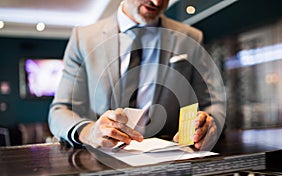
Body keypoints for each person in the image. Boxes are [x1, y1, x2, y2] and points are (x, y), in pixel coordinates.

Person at [48, 0, 225, 151]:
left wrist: (210, 125)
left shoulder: (190, 37)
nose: (156, 2)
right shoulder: (83, 39)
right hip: (101, 161)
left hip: (167, 160)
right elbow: (60, 111)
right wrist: (88, 132)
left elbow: (212, 103)